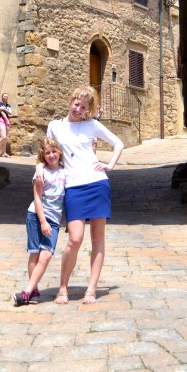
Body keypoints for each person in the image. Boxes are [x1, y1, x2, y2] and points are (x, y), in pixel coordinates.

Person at [38, 85, 124, 305]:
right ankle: (63, 288)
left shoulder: (92, 125)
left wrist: (109, 165)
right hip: (73, 186)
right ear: (70, 102)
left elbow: (118, 143)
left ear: (88, 110)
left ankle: (91, 289)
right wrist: (39, 167)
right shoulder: (55, 126)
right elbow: (46, 152)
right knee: (74, 239)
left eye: (84, 107)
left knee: (98, 238)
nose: (79, 109)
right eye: (77, 104)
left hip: (97, 184)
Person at [12, 137, 66, 306]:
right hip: (36, 216)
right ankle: (33, 291)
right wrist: (43, 221)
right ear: (43, 155)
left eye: (54, 151)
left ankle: (26, 292)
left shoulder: (65, 171)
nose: (51, 155)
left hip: (54, 219)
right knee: (35, 253)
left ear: (59, 152)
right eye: (47, 153)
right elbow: (37, 197)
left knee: (47, 254)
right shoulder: (41, 173)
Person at [0, 92, 12, 157]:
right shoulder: (0, 103)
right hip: (0, 120)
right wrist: (7, 120)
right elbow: (2, 113)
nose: (5, 97)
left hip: (7, 121)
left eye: (6, 96)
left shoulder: (8, 105)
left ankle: (3, 153)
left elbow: (10, 112)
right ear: (2, 97)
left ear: (7, 98)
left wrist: (4, 109)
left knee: (5, 138)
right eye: (4, 96)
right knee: (3, 136)